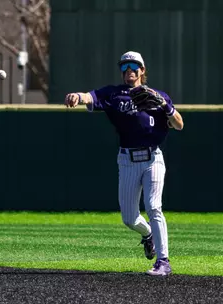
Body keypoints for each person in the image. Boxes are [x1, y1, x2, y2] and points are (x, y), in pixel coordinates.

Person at [64, 51, 184, 276]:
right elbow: (89, 96)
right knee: (129, 218)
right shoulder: (114, 94)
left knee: (153, 206)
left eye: (134, 65)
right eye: (124, 66)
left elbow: (179, 124)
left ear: (142, 70)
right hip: (127, 160)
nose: (129, 69)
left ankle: (164, 262)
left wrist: (166, 107)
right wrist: (77, 96)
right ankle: (148, 235)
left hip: (153, 158)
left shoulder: (157, 96)